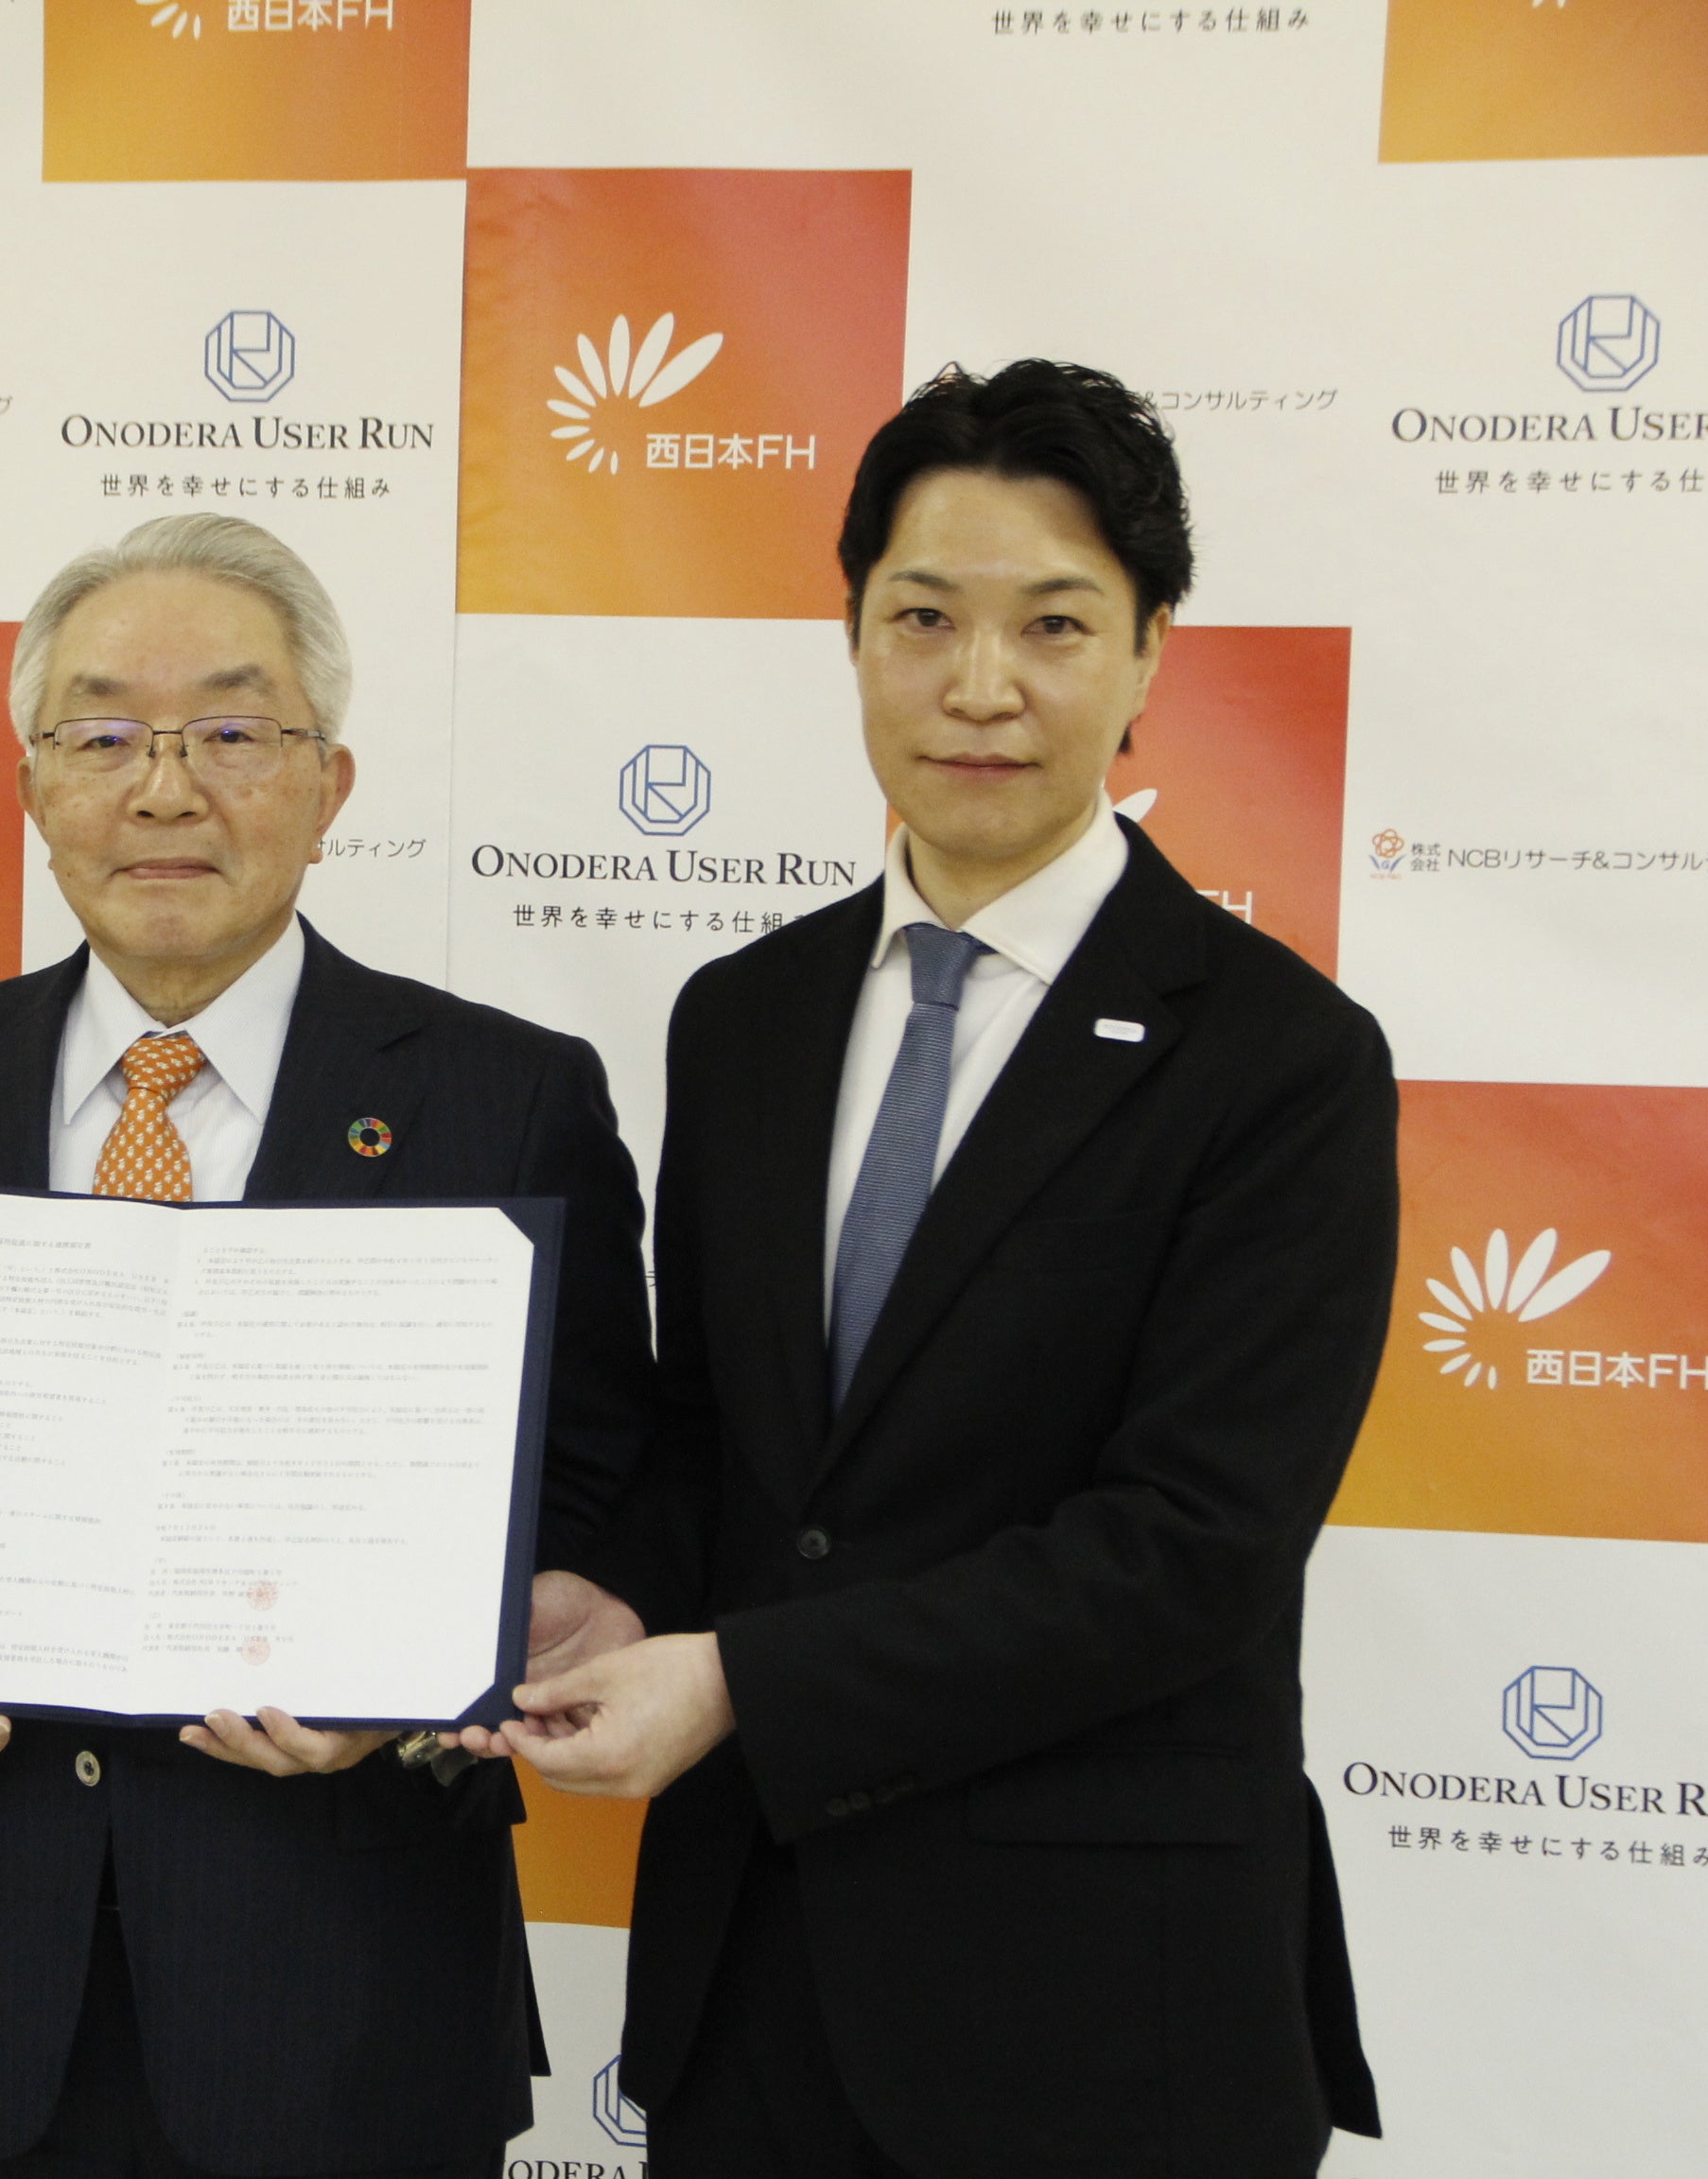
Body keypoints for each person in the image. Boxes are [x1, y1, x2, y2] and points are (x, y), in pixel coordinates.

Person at [486, 362, 1398, 2178]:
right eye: (923, 619)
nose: (982, 686)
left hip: (1107, 2019)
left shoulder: (1280, 1059)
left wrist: (747, 1682)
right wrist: (610, 1592)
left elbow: (1196, 1547)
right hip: (754, 1986)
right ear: (852, 639)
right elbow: (725, 1437)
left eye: (1054, 624)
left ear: (1147, 656)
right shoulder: (743, 1018)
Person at [0, 513, 653, 2179]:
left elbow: (605, 1486)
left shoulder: (507, 1097)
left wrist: (421, 1692)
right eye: (104, 736)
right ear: (34, 786)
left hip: (356, 1991)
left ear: (331, 785)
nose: (166, 790)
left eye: (234, 733)